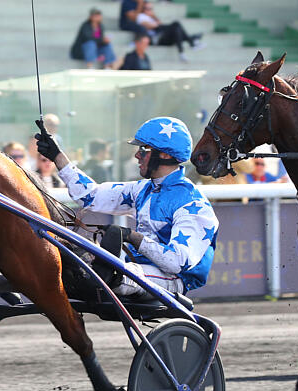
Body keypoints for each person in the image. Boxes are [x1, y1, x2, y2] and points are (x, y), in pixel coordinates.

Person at [35, 116, 218, 297]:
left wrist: (133, 237)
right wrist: (57, 156)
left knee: (113, 274)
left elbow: (176, 262)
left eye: (143, 149)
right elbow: (91, 195)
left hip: (175, 278)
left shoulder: (193, 204)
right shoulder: (142, 189)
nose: (137, 155)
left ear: (165, 154)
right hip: (141, 269)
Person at [135, 1, 203, 62]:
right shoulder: (141, 16)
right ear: (143, 9)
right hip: (155, 39)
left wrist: (153, 17)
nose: (149, 10)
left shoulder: (152, 18)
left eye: (151, 8)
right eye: (147, 8)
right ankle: (191, 40)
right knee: (176, 25)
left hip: (163, 37)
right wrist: (155, 20)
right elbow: (152, 26)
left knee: (177, 29)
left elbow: (159, 24)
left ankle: (183, 50)